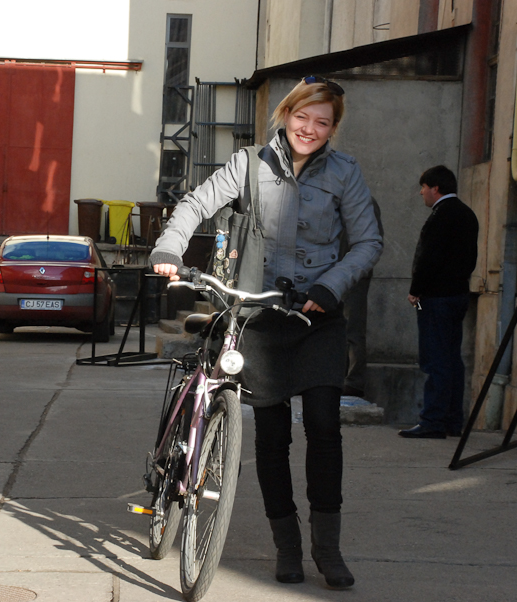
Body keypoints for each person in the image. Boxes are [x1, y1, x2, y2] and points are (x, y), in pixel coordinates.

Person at [150, 76, 382, 589]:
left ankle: (328, 549)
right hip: (256, 314)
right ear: (286, 113)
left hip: (315, 314)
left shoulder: (345, 172)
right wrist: (169, 247)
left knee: (323, 423)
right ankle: (288, 547)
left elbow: (368, 242)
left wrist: (330, 286)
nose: (310, 129)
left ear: (333, 128)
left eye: (323, 122)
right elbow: (195, 204)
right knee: (273, 435)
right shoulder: (247, 164)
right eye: (303, 117)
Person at [400, 166, 478, 439]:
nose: (421, 192)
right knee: (452, 359)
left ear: (435, 188)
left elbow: (428, 258)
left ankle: (433, 420)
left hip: (435, 298)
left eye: (423, 187)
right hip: (457, 295)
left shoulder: (440, 216)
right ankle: (452, 420)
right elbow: (469, 259)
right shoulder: (467, 214)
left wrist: (416, 290)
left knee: (435, 359)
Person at [342, 198, 383, 399]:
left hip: (353, 274)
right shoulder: (333, 196)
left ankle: (353, 381)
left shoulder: (363, 201)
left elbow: (371, 242)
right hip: (332, 273)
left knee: (352, 327)